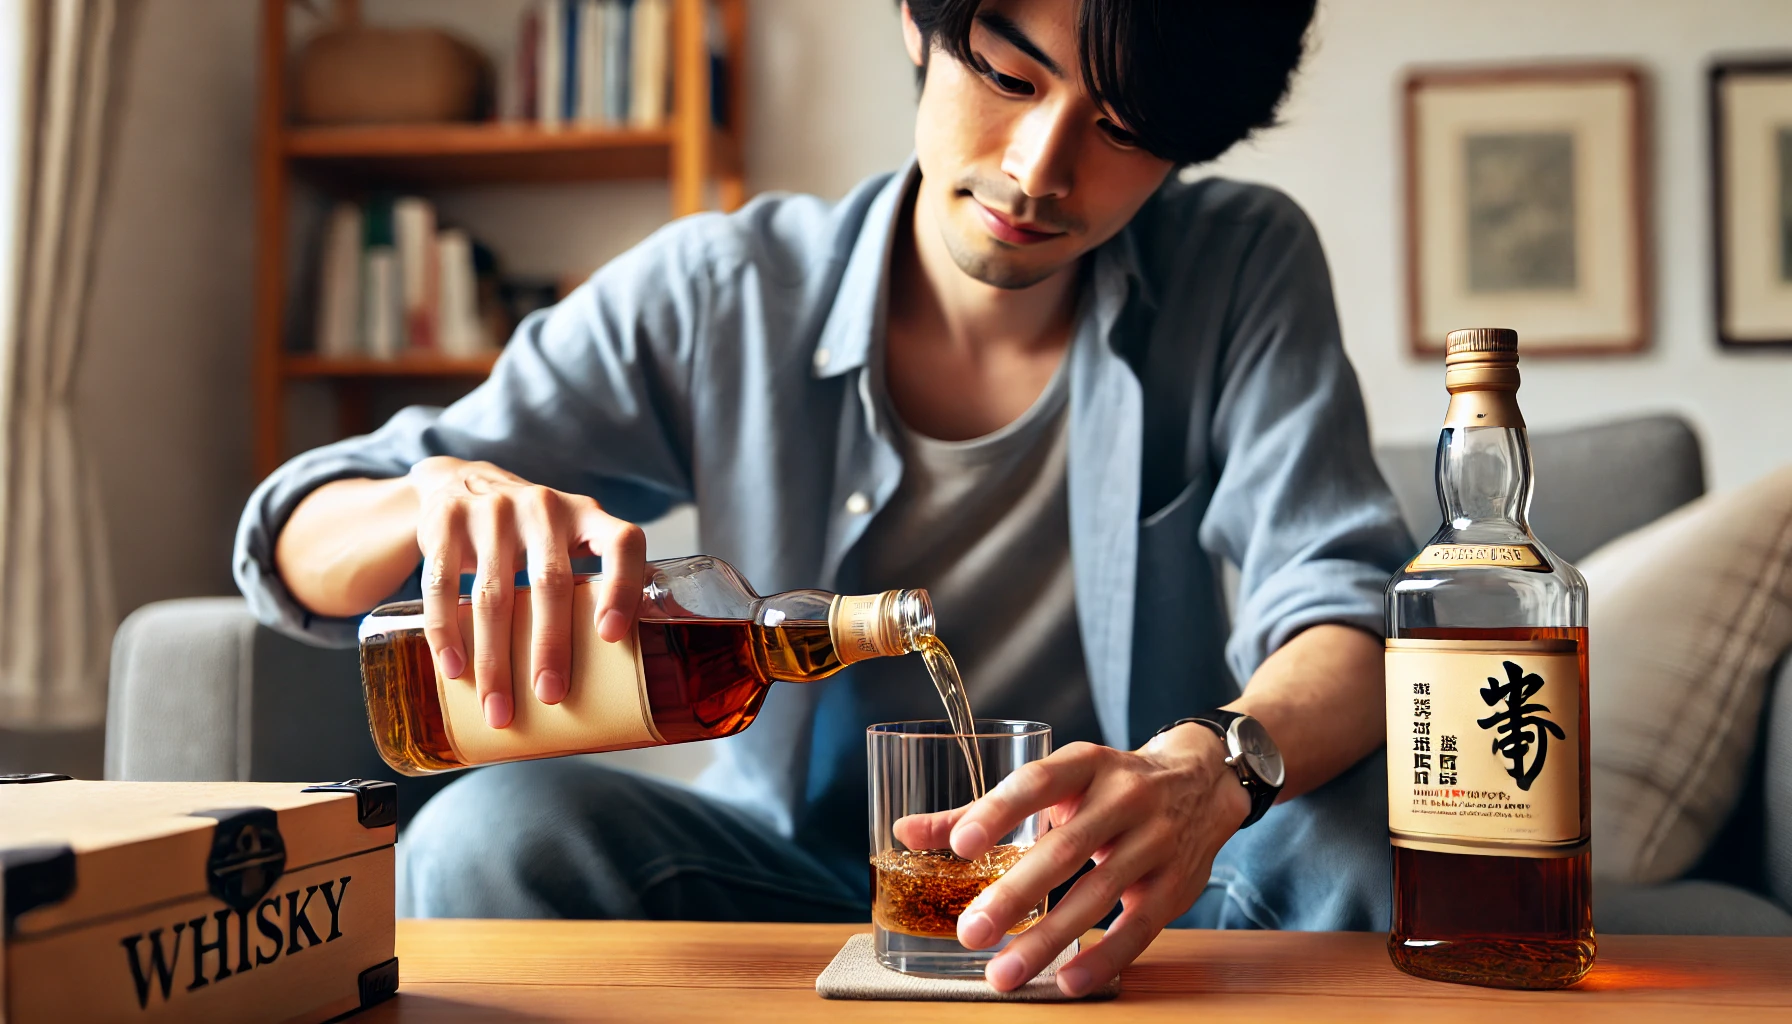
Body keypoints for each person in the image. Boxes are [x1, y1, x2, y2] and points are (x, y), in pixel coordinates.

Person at [237, 0, 1411, 997]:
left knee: (1364, 832)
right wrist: (433, 494)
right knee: (490, 831)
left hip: (1129, 884)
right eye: (1008, 76)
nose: (1038, 168)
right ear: (918, 21)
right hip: (785, 878)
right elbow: (297, 538)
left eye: (1121, 127)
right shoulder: (724, 294)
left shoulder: (1239, 263)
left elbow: (1345, 609)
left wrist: (1207, 767)